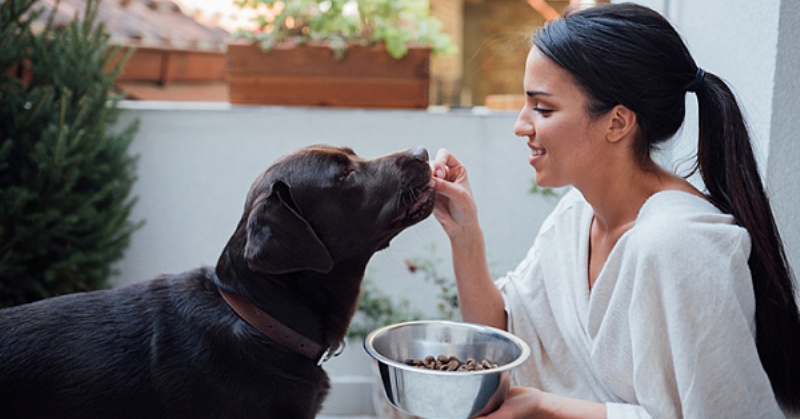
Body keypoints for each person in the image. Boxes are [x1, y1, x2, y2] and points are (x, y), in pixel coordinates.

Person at [428, 3, 800, 418]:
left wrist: (544, 406)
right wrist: (464, 235)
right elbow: (500, 337)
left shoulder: (681, 246)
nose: (521, 125)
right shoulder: (576, 217)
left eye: (543, 108)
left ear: (618, 123)